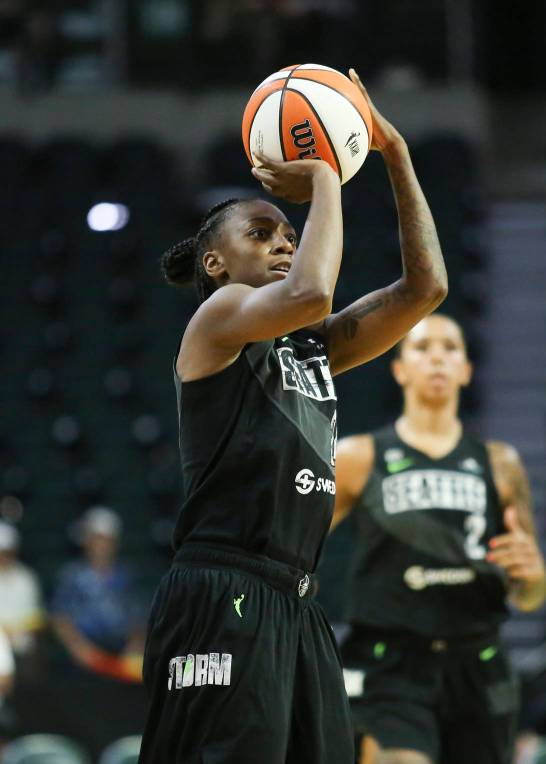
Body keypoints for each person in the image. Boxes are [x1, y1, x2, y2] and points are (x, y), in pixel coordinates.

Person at [140, 70, 448, 764]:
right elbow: (312, 293)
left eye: (289, 231)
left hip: (297, 602)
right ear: (215, 263)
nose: (285, 242)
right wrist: (325, 173)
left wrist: (395, 154)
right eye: (263, 234)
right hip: (223, 590)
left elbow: (427, 288)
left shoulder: (311, 349)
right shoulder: (217, 318)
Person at [332, 313, 546, 764]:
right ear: (399, 369)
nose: (437, 358)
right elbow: (293, 545)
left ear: (466, 370)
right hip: (391, 663)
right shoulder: (358, 457)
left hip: (478, 662)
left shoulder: (500, 463)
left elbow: (529, 595)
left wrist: (535, 577)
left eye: (450, 348)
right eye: (422, 347)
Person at [51, 506, 146, 681]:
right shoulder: (71, 575)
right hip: (84, 652)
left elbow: (136, 616)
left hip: (120, 650)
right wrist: (78, 648)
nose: (101, 545)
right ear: (86, 541)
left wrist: (135, 645)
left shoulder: (126, 575)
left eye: (106, 539)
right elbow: (60, 617)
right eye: (96, 539)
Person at [0, 521, 44, 661]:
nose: (2, 557)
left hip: (21, 643)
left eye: (6, 552)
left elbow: (35, 621)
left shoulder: (27, 578)